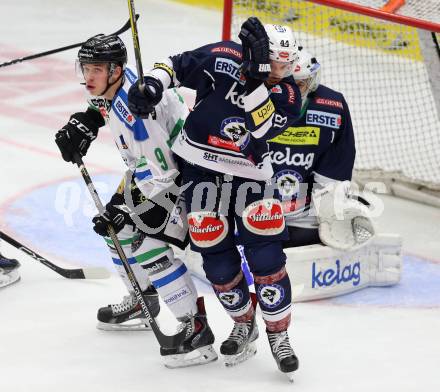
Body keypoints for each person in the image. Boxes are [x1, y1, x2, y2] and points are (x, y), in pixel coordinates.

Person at [128, 18, 302, 379]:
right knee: (217, 263)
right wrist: (152, 85)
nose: (285, 72)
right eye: (279, 65)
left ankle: (279, 334)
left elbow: (263, 128)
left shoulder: (287, 94)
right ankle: (244, 323)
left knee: (267, 259)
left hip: (252, 179)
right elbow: (176, 65)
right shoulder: (225, 55)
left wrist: (256, 78)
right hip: (200, 169)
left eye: (289, 65)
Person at [54, 34, 217, 368]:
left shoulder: (141, 112)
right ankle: (144, 300)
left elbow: (166, 173)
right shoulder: (116, 88)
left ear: (116, 70)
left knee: (148, 248)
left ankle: (196, 328)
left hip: (184, 181)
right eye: (85, 68)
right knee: (114, 232)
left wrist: (128, 209)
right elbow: (102, 107)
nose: (89, 77)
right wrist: (85, 121)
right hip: (149, 174)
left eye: (96, 69)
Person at [269, 48, 402, 300]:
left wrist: (329, 211)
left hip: (302, 216)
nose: (295, 91)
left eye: (302, 83)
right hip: (258, 206)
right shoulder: (257, 100)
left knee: (321, 228)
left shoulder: (332, 106)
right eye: (289, 84)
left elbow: (335, 167)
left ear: (313, 80)